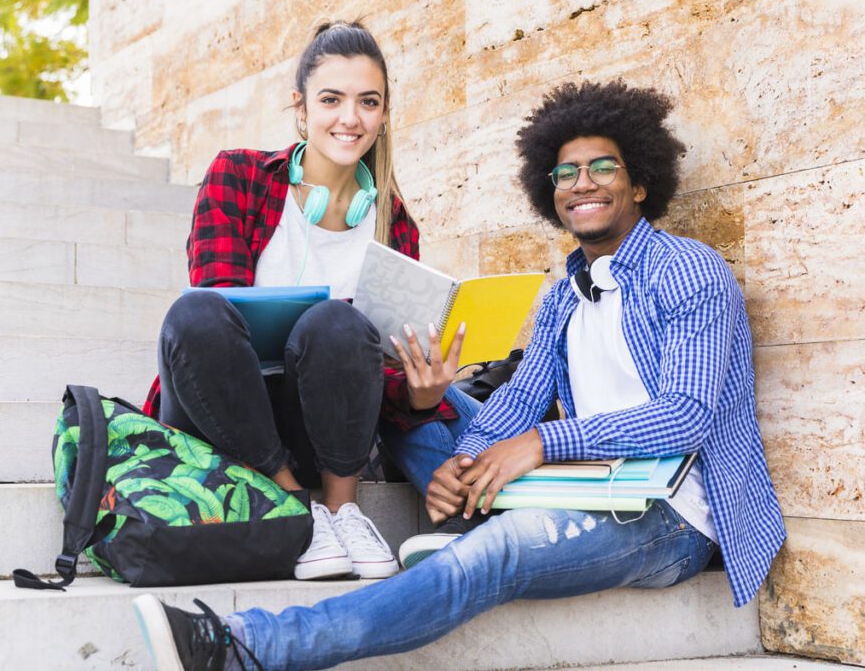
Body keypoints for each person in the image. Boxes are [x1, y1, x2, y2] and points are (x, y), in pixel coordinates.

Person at [130, 79, 787, 671]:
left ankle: (251, 644)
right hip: (585, 480)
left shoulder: (689, 271)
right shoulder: (566, 291)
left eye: (600, 168)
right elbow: (522, 398)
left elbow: (686, 415)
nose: (581, 183)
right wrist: (468, 454)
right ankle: (456, 510)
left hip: (669, 514)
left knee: (492, 555)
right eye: (565, 172)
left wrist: (537, 444)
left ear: (639, 183)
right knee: (416, 392)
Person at [143, 20, 472, 583]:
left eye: (368, 102)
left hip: (318, 427)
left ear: (385, 112)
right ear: (300, 107)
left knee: (337, 323)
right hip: (222, 410)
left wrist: (420, 396)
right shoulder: (238, 176)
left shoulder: (395, 227)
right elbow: (214, 330)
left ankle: (343, 510)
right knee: (195, 311)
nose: (351, 118)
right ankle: (296, 506)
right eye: (331, 99)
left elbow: (377, 374)